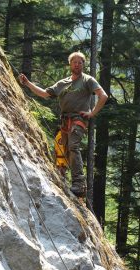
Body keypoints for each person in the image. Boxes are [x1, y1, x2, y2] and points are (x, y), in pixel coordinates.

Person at [19, 51, 108, 197]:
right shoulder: (63, 83)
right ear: (70, 64)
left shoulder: (88, 80)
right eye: (75, 62)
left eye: (80, 62)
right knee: (64, 149)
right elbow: (44, 93)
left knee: (73, 146)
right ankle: (63, 177)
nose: (77, 64)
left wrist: (92, 113)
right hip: (65, 120)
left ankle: (79, 184)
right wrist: (28, 83)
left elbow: (103, 95)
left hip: (78, 119)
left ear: (83, 65)